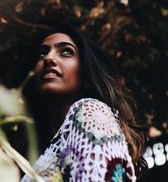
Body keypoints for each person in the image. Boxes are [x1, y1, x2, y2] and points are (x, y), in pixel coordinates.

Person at [21, 24, 146, 182]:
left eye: (66, 52)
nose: (49, 58)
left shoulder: (90, 113)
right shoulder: (36, 149)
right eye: (42, 54)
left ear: (86, 75)